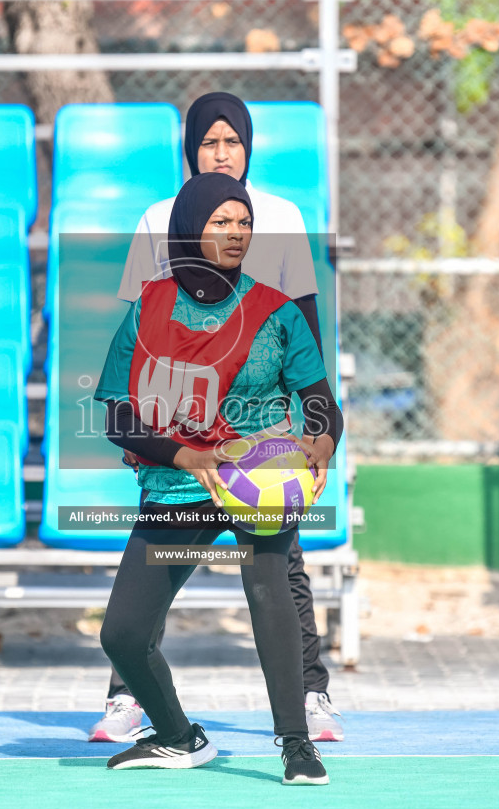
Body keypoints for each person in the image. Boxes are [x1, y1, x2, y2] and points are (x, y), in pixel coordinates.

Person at [90, 91, 345, 746]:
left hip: (262, 433)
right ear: (190, 150)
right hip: (182, 426)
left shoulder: (281, 216)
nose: (222, 152)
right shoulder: (159, 217)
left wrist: (311, 426)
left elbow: (304, 325)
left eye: (233, 141)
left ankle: (310, 696)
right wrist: (151, 435)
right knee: (156, 569)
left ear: (249, 148)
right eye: (209, 142)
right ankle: (128, 696)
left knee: (281, 568)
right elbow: (146, 327)